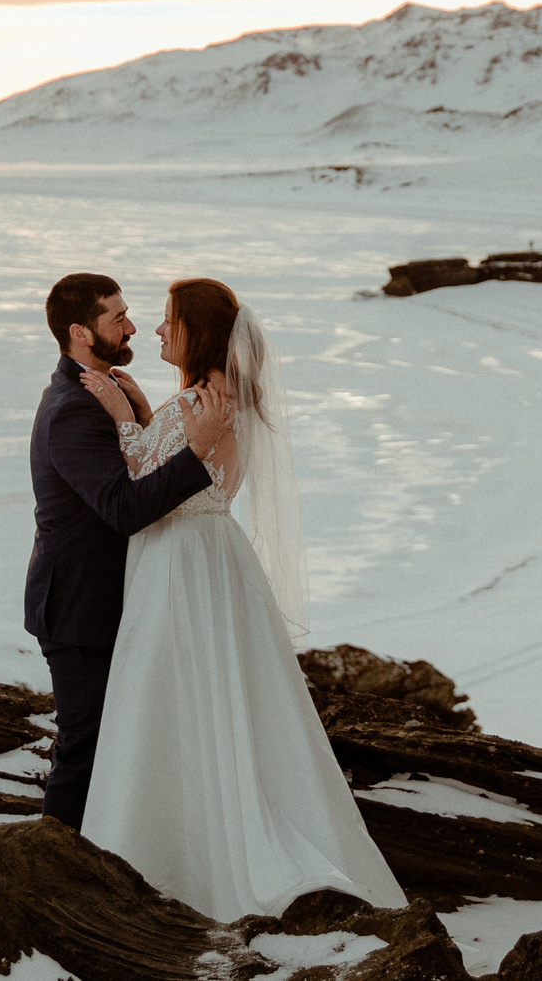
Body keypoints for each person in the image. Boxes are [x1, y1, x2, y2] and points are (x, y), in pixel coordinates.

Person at [75, 277, 406, 922]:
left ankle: (177, 854)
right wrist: (145, 412)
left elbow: (149, 478)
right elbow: (176, 460)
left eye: (170, 320)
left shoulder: (203, 401)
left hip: (181, 563)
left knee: (169, 698)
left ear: (197, 332)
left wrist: (123, 418)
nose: (160, 331)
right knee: (207, 699)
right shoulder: (218, 397)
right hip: (205, 556)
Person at [25, 271, 228, 827]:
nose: (133, 326)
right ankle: (51, 872)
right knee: (84, 751)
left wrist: (138, 420)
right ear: (80, 333)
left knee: (120, 747)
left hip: (115, 604)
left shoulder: (102, 393)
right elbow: (123, 508)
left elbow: (131, 471)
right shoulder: (72, 406)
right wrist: (199, 452)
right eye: (117, 317)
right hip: (79, 611)